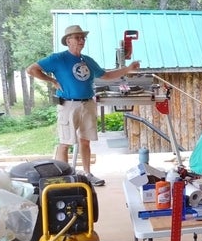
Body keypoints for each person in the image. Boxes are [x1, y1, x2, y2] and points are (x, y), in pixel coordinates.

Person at [26, 24, 140, 186]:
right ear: (68, 41)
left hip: (87, 104)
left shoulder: (87, 60)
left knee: (85, 141)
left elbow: (106, 75)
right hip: (68, 105)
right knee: (65, 142)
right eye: (77, 38)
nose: (81, 40)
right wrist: (52, 80)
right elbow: (31, 69)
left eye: (83, 38)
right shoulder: (57, 58)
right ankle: (64, 178)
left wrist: (127, 69)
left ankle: (87, 174)